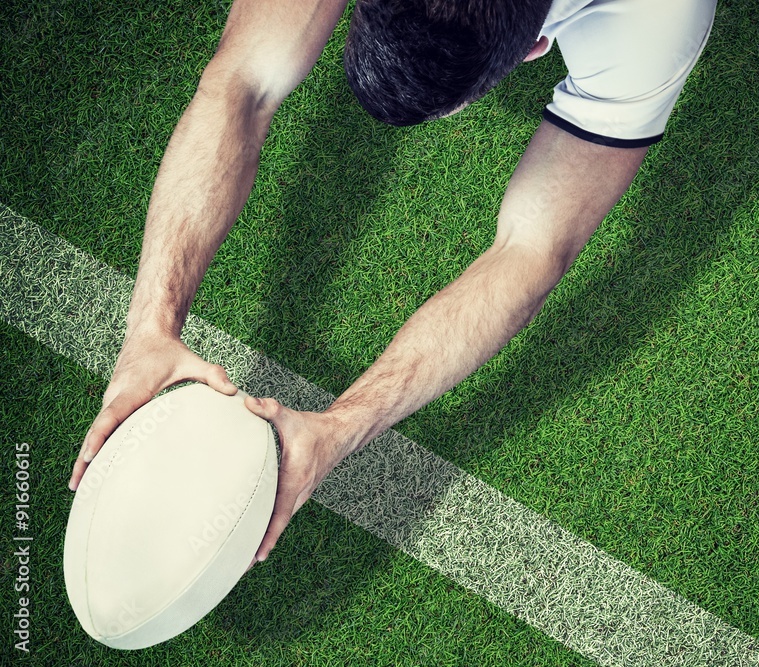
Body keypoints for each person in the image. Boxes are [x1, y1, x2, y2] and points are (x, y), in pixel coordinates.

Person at [69, 0, 717, 565]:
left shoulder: (654, 20)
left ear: (533, 49)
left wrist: (341, 426)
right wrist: (150, 322)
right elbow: (243, 82)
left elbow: (533, 249)